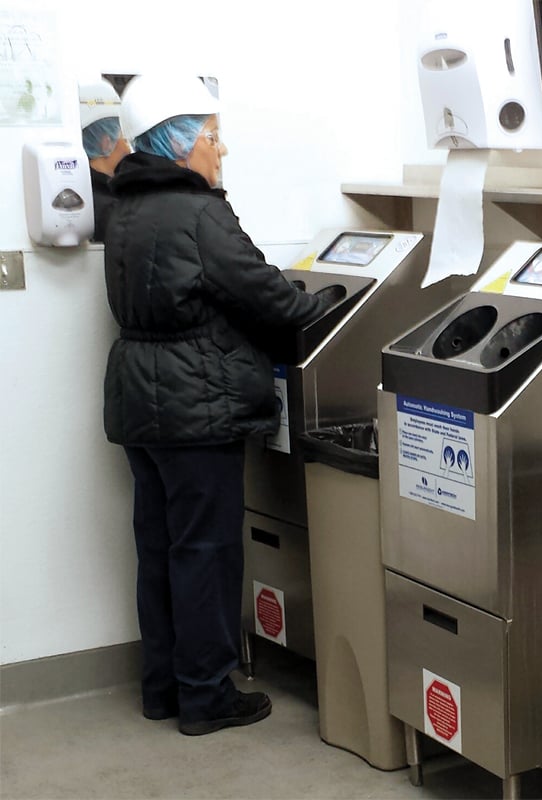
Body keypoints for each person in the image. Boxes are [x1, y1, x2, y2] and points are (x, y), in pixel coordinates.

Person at [102, 73, 330, 736]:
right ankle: (206, 696)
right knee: (206, 550)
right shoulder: (199, 211)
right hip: (195, 407)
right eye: (211, 136)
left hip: (139, 406)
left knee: (161, 548)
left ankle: (164, 687)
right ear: (179, 142)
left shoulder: (126, 209)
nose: (220, 150)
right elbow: (265, 294)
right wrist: (325, 308)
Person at [78, 76, 130, 242]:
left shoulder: (82, 192)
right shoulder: (110, 208)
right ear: (106, 142)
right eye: (126, 138)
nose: (129, 149)